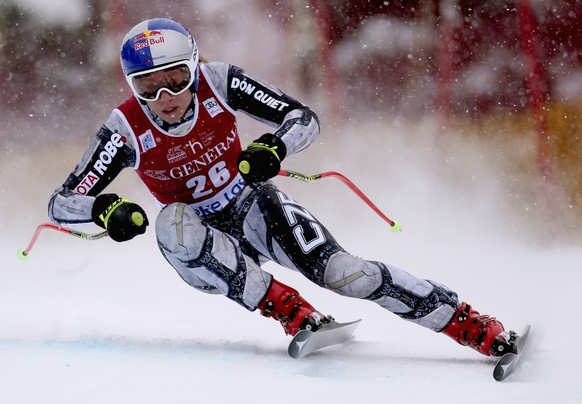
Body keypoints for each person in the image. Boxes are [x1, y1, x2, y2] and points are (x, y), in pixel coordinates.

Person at [48, 18, 518, 357]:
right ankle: (289, 309)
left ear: (193, 68)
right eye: (147, 87)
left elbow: (302, 118)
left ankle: (468, 322)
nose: (164, 98)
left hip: (254, 205)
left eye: (174, 79)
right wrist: (105, 210)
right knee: (171, 223)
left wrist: (273, 148)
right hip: (200, 237)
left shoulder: (220, 81)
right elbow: (62, 201)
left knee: (344, 273)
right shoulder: (125, 128)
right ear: (132, 87)